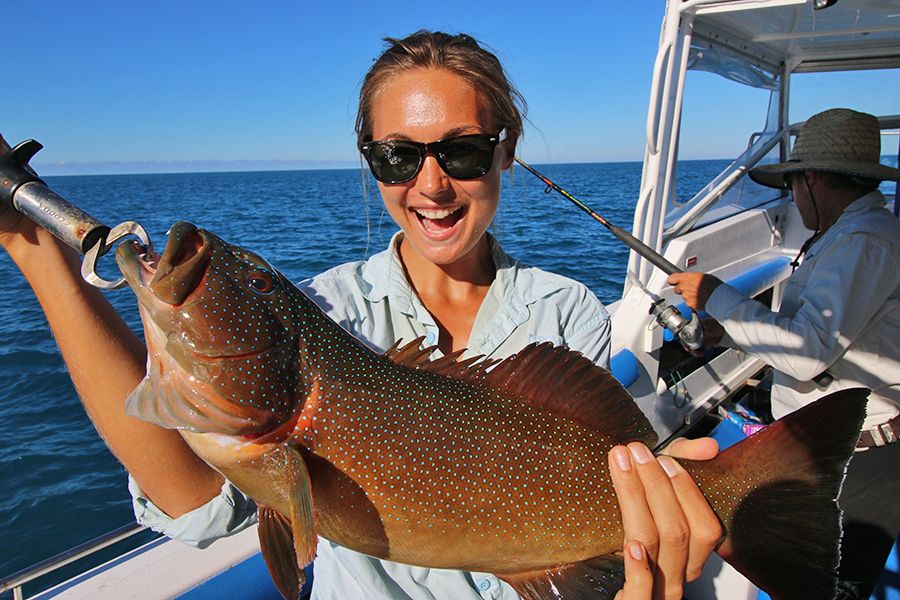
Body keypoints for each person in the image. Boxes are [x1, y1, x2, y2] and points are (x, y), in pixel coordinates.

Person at [0, 31, 722, 600]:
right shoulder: (326, 311)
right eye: (398, 157)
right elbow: (194, 506)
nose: (432, 184)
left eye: (464, 152)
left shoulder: (565, 311)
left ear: (507, 152)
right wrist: (35, 252)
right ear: (369, 159)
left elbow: (599, 504)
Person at [669, 107, 900, 600]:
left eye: (792, 185)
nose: (792, 199)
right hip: (831, 448)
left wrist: (715, 294)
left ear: (811, 179)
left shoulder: (865, 243)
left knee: (833, 585)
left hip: (861, 458)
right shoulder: (847, 237)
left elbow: (808, 351)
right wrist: (725, 333)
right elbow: (811, 332)